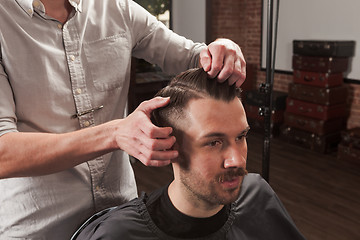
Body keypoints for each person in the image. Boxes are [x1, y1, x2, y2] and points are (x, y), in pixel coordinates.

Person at [0, 0, 247, 239]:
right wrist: (115, 134)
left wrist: (222, 48)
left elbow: (195, 56)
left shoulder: (117, 7)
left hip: (121, 215)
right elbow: (3, 153)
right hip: (38, 226)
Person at [71, 68, 306, 240]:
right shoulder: (116, 235)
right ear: (169, 148)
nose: (236, 160)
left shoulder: (256, 193)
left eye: (240, 137)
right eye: (214, 142)